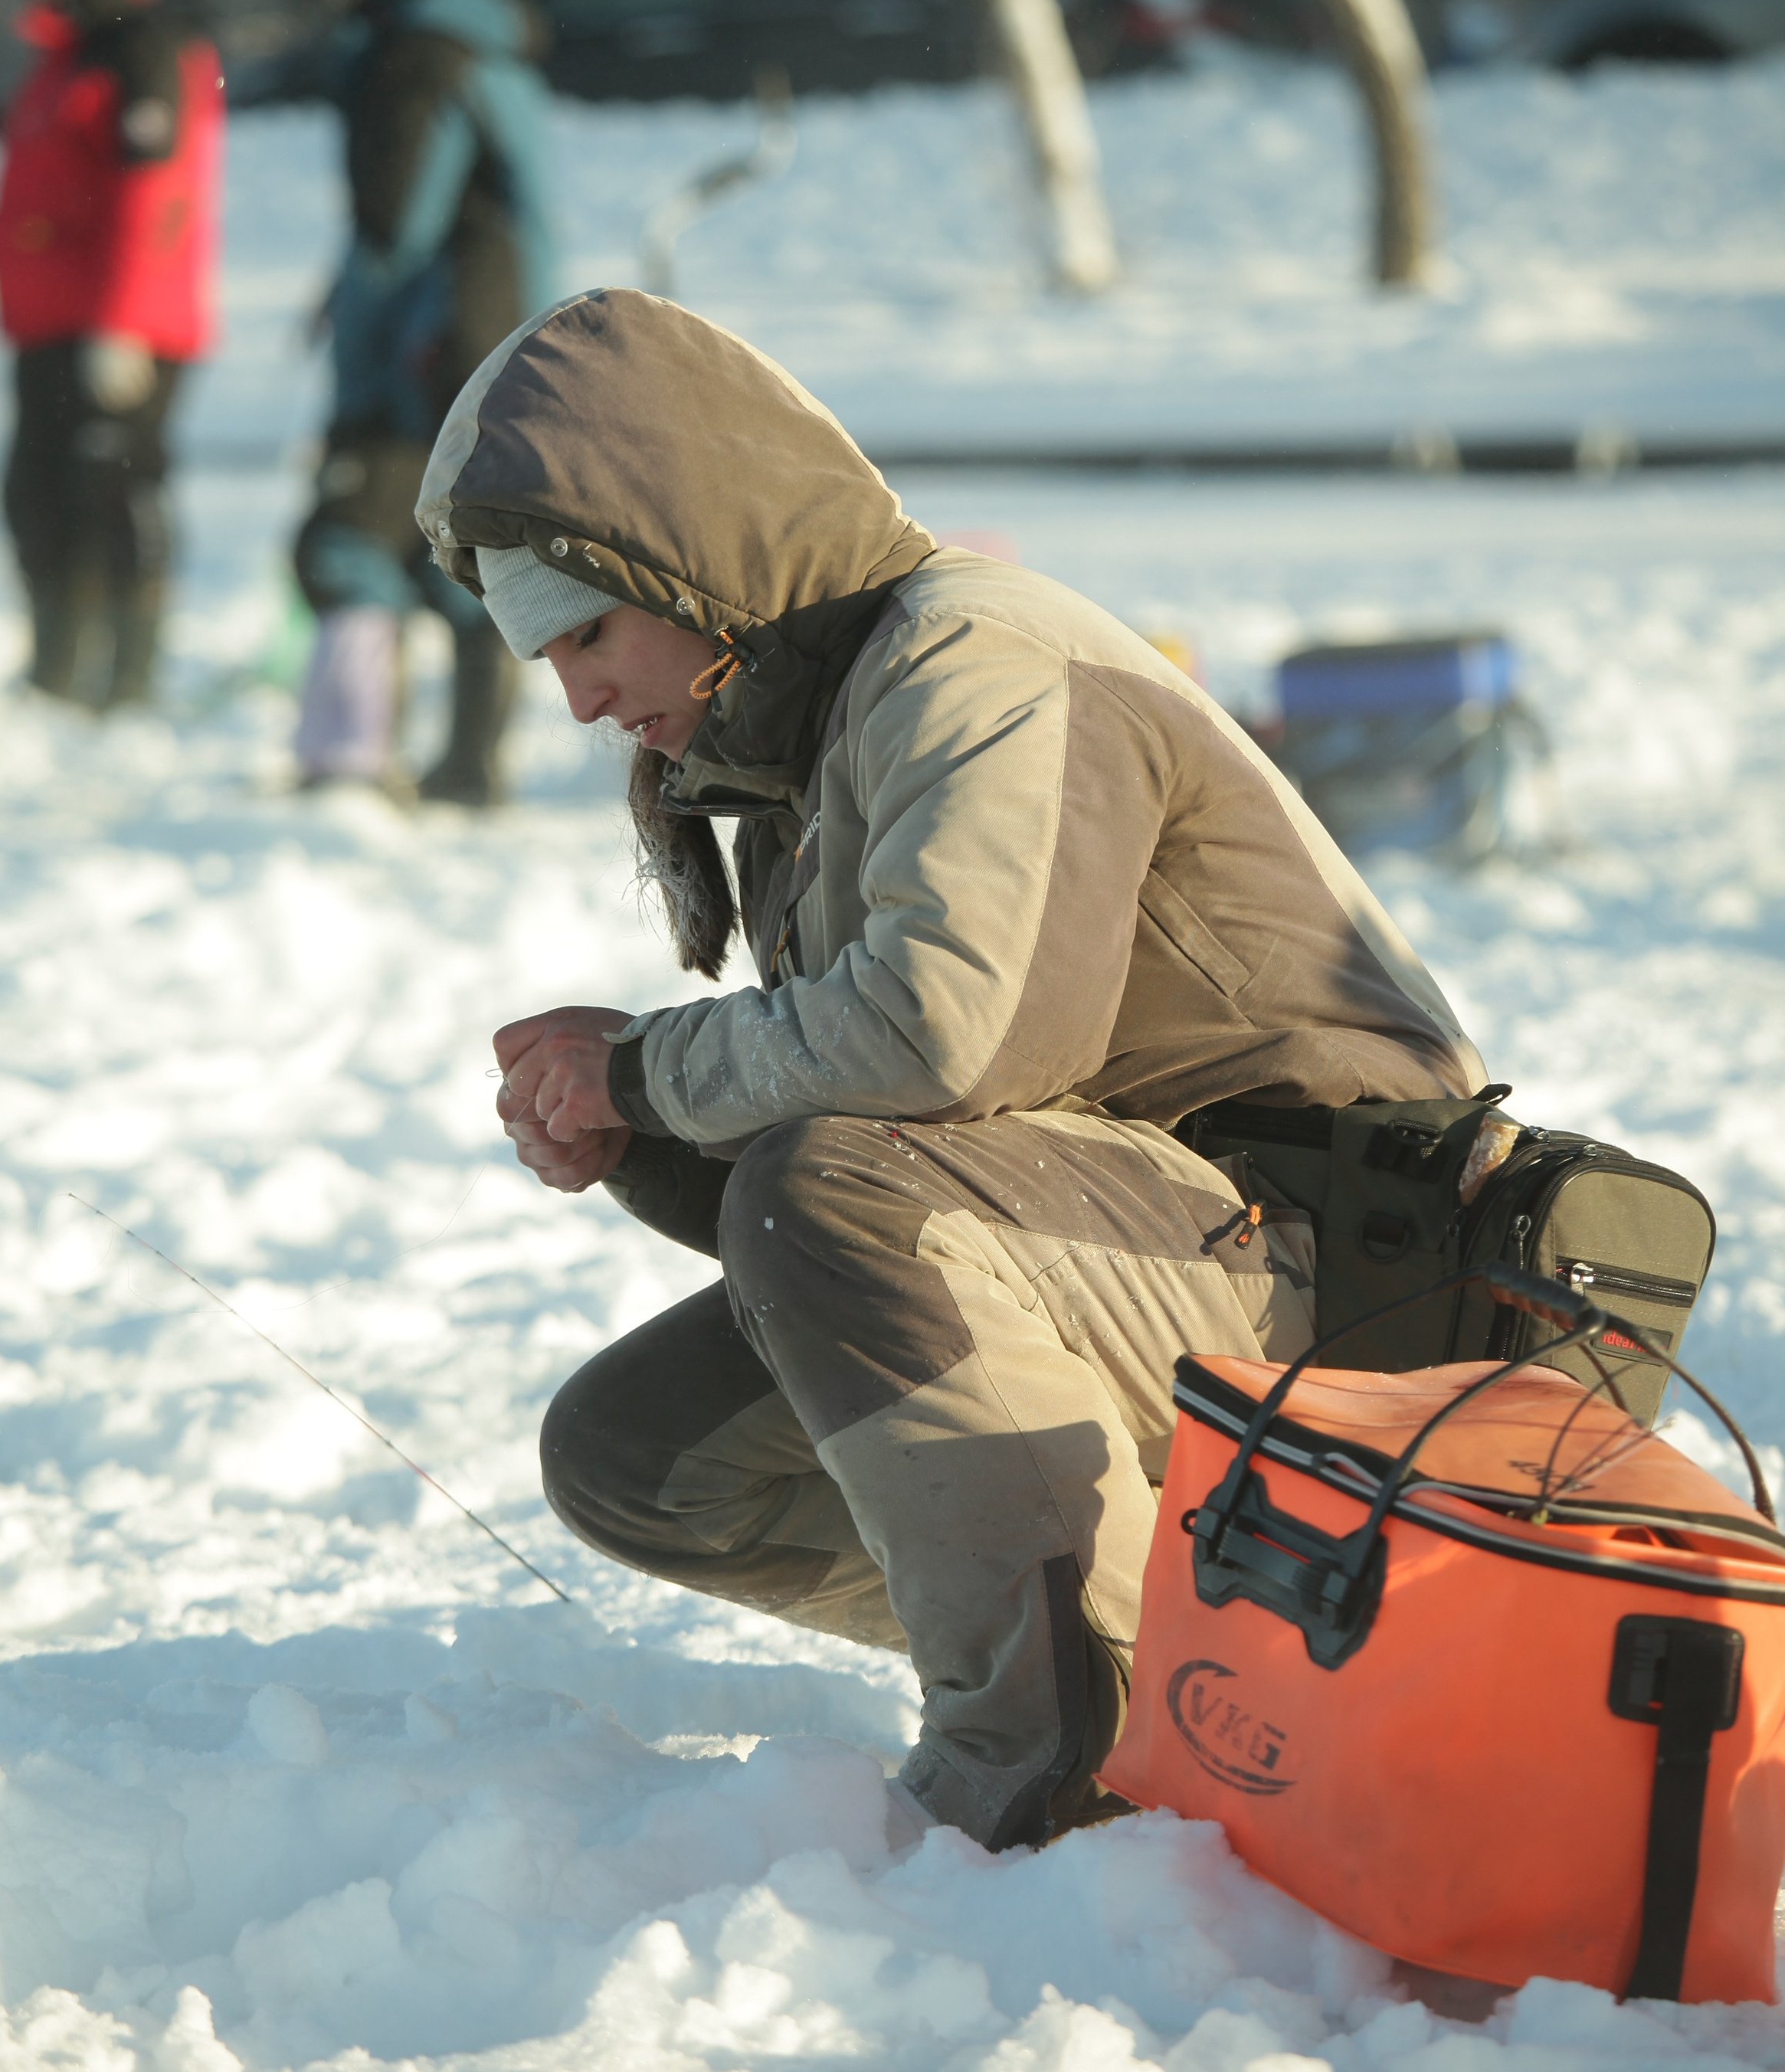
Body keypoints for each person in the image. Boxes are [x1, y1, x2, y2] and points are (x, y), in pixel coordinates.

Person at [421, 290, 1483, 1853]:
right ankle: (1205, 1665)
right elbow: (932, 1150)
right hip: (1174, 1247)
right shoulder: (824, 726)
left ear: (694, 563)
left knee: (825, 1189)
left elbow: (954, 1040)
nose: (578, 699)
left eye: (586, 631)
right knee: (641, 1457)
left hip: (1364, 1275)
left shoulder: (974, 658)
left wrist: (646, 1073)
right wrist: (639, 1129)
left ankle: (1076, 1758)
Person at [0, 0, 222, 709]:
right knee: (33, 497)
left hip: (123, 328)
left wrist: (121, 326)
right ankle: (58, 670)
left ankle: (126, 681)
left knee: (113, 497)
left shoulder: (146, 48)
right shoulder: (64, 60)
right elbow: (54, 193)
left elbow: (154, 195)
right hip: (46, 325)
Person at [290, 0, 560, 804]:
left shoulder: (412, 58)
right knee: (469, 550)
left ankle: (348, 766)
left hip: (430, 341)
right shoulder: (485, 45)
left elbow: (394, 225)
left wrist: (356, 341)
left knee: (351, 537)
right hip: (498, 331)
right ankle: (471, 767)